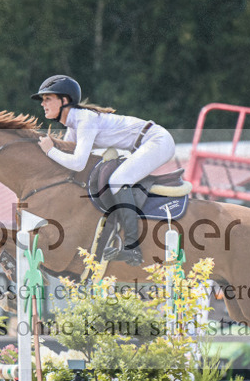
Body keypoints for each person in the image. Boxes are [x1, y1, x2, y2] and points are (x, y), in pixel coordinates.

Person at [32, 75, 175, 266]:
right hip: (146, 143)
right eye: (43, 100)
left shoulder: (85, 120)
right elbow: (68, 166)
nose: (43, 104)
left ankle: (132, 249)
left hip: (157, 141)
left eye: (48, 98)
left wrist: (50, 150)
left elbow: (77, 163)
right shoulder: (74, 125)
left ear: (64, 100)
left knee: (117, 180)